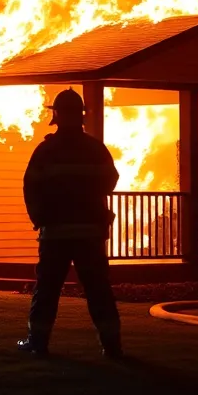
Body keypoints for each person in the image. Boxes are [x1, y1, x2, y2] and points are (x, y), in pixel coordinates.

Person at [17, 88, 123, 358]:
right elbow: (110, 181)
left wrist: (39, 218)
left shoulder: (46, 150)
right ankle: (111, 346)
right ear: (81, 116)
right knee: (98, 290)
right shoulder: (96, 149)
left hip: (55, 233)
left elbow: (30, 187)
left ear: (57, 116)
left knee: (47, 290)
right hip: (90, 232)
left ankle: (38, 343)